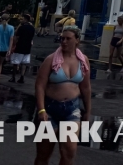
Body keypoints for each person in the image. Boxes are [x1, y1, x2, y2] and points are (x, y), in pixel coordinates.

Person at [34, 25, 92, 165]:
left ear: (77, 40)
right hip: (50, 110)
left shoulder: (83, 60)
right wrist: (41, 110)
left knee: (69, 153)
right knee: (43, 154)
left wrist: (88, 112)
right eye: (62, 38)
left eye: (68, 39)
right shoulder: (51, 59)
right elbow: (40, 85)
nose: (64, 41)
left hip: (72, 110)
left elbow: (85, 88)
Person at [8, 13, 36, 84]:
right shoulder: (32, 28)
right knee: (24, 63)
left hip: (19, 47)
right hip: (27, 48)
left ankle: (13, 77)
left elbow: (17, 37)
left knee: (15, 63)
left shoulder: (21, 28)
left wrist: (13, 45)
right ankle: (22, 77)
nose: (21, 20)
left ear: (26, 19)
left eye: (22, 19)